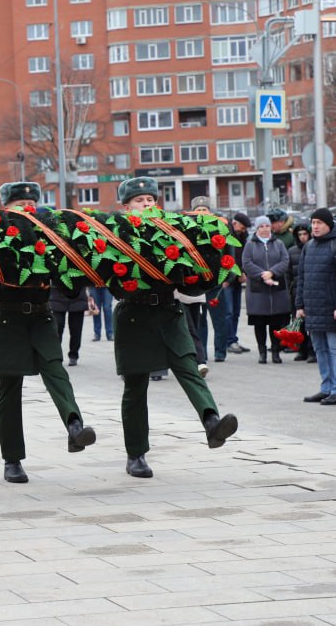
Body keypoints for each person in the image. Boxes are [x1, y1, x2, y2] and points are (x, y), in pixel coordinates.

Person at [113, 178, 239, 478]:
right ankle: (136, 454)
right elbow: (110, 279)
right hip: (133, 314)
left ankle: (212, 422)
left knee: (188, 367)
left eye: (150, 199)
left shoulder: (174, 230)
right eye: (140, 200)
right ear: (126, 206)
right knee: (135, 386)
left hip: (169, 310)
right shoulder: (116, 233)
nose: (147, 204)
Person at [0, 182, 96, 484]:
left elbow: (69, 283)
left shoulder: (51, 234)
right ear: (6, 208)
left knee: (56, 370)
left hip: (41, 315)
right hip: (5, 317)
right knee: (9, 389)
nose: (26, 209)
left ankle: (74, 427)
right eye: (19, 204)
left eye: (31, 203)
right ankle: (12, 460)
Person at [296, 209, 336, 405]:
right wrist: (299, 304)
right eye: (313, 222)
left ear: (329, 224)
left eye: (319, 222)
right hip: (313, 308)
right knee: (320, 349)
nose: (315, 226)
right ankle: (326, 387)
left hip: (332, 309)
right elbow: (301, 277)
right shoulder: (309, 246)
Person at [187, 196, 237, 362]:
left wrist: (228, 276)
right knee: (199, 322)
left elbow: (230, 252)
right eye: (198, 210)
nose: (202, 213)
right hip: (198, 283)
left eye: (205, 210)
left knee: (219, 319)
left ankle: (220, 352)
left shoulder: (221, 227)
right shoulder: (188, 228)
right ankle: (202, 354)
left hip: (217, 282)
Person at [243, 216, 292, 364]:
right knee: (260, 323)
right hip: (258, 290)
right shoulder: (250, 245)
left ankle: (275, 352)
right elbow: (246, 263)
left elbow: (285, 261)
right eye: (261, 226)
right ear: (257, 229)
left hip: (277, 289)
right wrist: (262, 275)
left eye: (267, 226)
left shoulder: (278, 244)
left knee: (275, 323)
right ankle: (262, 352)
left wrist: (272, 272)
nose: (264, 228)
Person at [224, 212, 251, 356]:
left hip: (237, 280)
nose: (244, 230)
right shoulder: (227, 235)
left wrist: (243, 272)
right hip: (227, 280)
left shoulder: (243, 237)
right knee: (227, 312)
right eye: (243, 227)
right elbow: (228, 257)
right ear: (235, 224)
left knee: (235, 312)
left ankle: (233, 339)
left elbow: (243, 257)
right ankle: (229, 341)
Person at [286, 222, 313, 362]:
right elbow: (288, 273)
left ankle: (312, 350)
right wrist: (290, 289)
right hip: (296, 292)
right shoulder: (292, 251)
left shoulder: (313, 248)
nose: (302, 237)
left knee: (311, 323)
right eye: (300, 235)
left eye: (305, 234)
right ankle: (302, 349)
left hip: (311, 292)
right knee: (298, 322)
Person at [51, 278, 93, 366]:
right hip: (57, 296)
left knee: (76, 329)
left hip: (78, 296)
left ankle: (73, 354)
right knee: (57, 328)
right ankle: (56, 355)